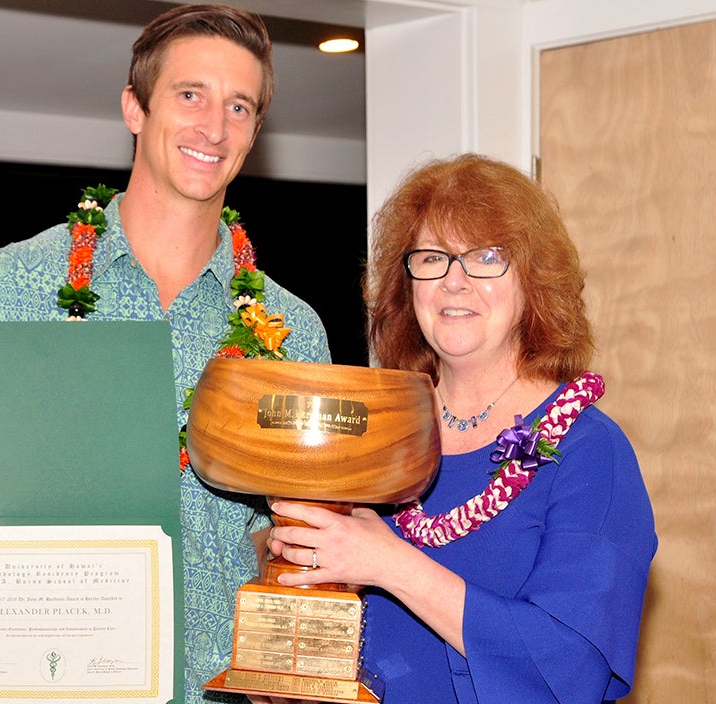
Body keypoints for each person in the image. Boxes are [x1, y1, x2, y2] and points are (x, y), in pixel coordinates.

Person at [0, 5, 330, 703]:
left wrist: (293, 607)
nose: (214, 126)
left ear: (256, 131)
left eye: (240, 106)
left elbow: (286, 539)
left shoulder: (293, 332)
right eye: (190, 94)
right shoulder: (4, 285)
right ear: (134, 108)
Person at [265, 154, 656, 703]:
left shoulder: (591, 451)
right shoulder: (373, 431)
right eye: (432, 258)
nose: (454, 282)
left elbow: (571, 668)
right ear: (408, 285)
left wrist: (390, 563)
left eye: (486, 258)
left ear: (535, 280)